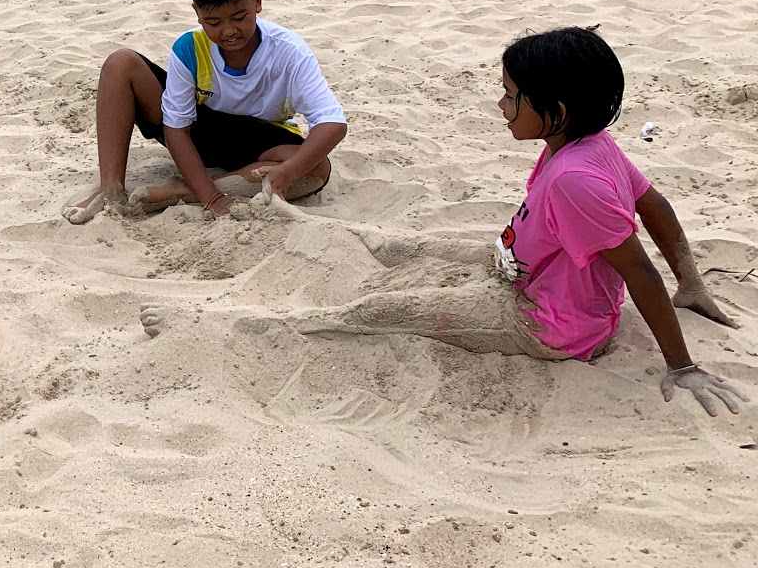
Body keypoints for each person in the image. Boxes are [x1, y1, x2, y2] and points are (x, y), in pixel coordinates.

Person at [276, 28, 745, 417]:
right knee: (405, 248)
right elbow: (654, 204)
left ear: (556, 112)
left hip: (546, 322)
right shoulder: (592, 142)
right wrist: (690, 283)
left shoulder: (575, 181)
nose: (501, 105)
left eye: (510, 96)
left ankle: (283, 323)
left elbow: (638, 269)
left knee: (383, 311)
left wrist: (681, 365)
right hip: (518, 266)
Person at [63, 0, 347, 223]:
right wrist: (212, 200)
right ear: (197, 13)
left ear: (257, 2)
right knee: (121, 63)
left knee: (315, 168)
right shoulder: (189, 48)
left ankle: (183, 190)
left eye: (239, 17)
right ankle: (110, 189)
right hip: (199, 131)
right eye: (214, 22)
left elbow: (332, 123)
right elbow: (176, 130)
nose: (228, 31)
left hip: (260, 140)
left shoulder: (289, 51)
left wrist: (288, 172)